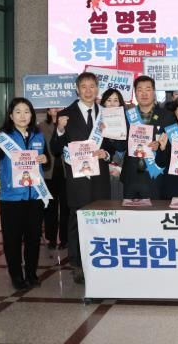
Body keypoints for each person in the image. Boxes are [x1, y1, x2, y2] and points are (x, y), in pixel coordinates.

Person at [50, 72, 119, 284]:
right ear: (77, 89)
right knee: (76, 221)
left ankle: (101, 261)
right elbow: (55, 149)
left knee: (101, 220)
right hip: (77, 179)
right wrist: (60, 130)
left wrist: (106, 154)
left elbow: (114, 145)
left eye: (92, 86)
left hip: (100, 178)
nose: (88, 91)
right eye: (84, 87)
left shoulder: (107, 114)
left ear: (97, 88)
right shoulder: (65, 115)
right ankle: (77, 264)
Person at [0, 98, 49, 290]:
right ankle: (17, 276)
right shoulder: (3, 137)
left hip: (35, 197)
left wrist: (45, 159)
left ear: (32, 115)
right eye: (18, 112)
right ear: (11, 116)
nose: (22, 115)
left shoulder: (38, 135)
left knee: (33, 238)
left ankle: (31, 273)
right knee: (12, 241)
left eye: (26, 111)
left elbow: (46, 163)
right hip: (11, 199)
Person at [121, 76, 175, 200]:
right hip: (131, 176)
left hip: (155, 177)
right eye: (140, 90)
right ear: (135, 93)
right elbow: (120, 146)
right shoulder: (127, 116)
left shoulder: (167, 116)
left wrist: (161, 147)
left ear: (154, 92)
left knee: (154, 211)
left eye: (148, 89)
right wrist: (109, 132)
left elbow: (174, 146)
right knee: (130, 211)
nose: (144, 93)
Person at [38, 108, 69, 250]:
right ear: (48, 110)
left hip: (66, 172)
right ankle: (51, 238)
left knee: (66, 207)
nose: (56, 109)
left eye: (58, 106)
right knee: (50, 208)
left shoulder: (69, 124)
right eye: (52, 107)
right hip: (48, 172)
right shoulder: (41, 126)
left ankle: (64, 239)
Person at [100, 88, 127, 200]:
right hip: (103, 169)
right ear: (104, 103)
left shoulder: (128, 120)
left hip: (123, 169)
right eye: (109, 100)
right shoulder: (97, 121)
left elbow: (128, 146)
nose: (112, 103)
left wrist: (120, 168)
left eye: (116, 100)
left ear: (120, 103)